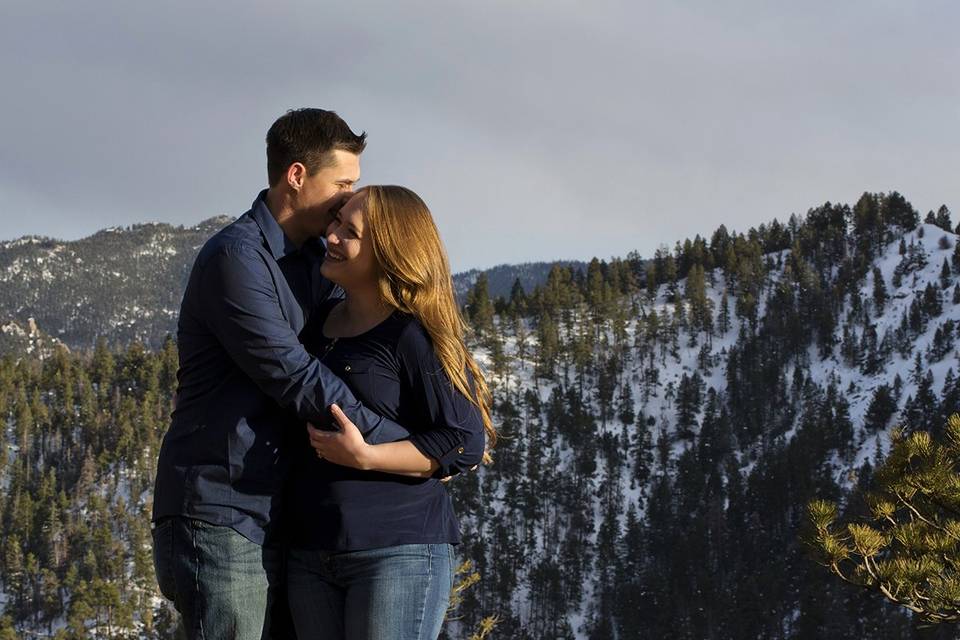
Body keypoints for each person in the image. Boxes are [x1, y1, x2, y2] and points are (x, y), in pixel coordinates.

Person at [151, 109, 413, 640]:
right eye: (342, 183)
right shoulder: (237, 259)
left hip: (282, 518)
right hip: (221, 511)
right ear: (297, 176)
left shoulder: (318, 259)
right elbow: (296, 376)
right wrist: (406, 445)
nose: (349, 198)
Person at [284, 185, 496, 640]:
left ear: (386, 252)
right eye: (335, 224)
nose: (333, 237)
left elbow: (464, 439)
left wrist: (368, 457)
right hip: (309, 555)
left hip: (397, 552)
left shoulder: (411, 336)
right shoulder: (313, 326)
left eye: (350, 232)